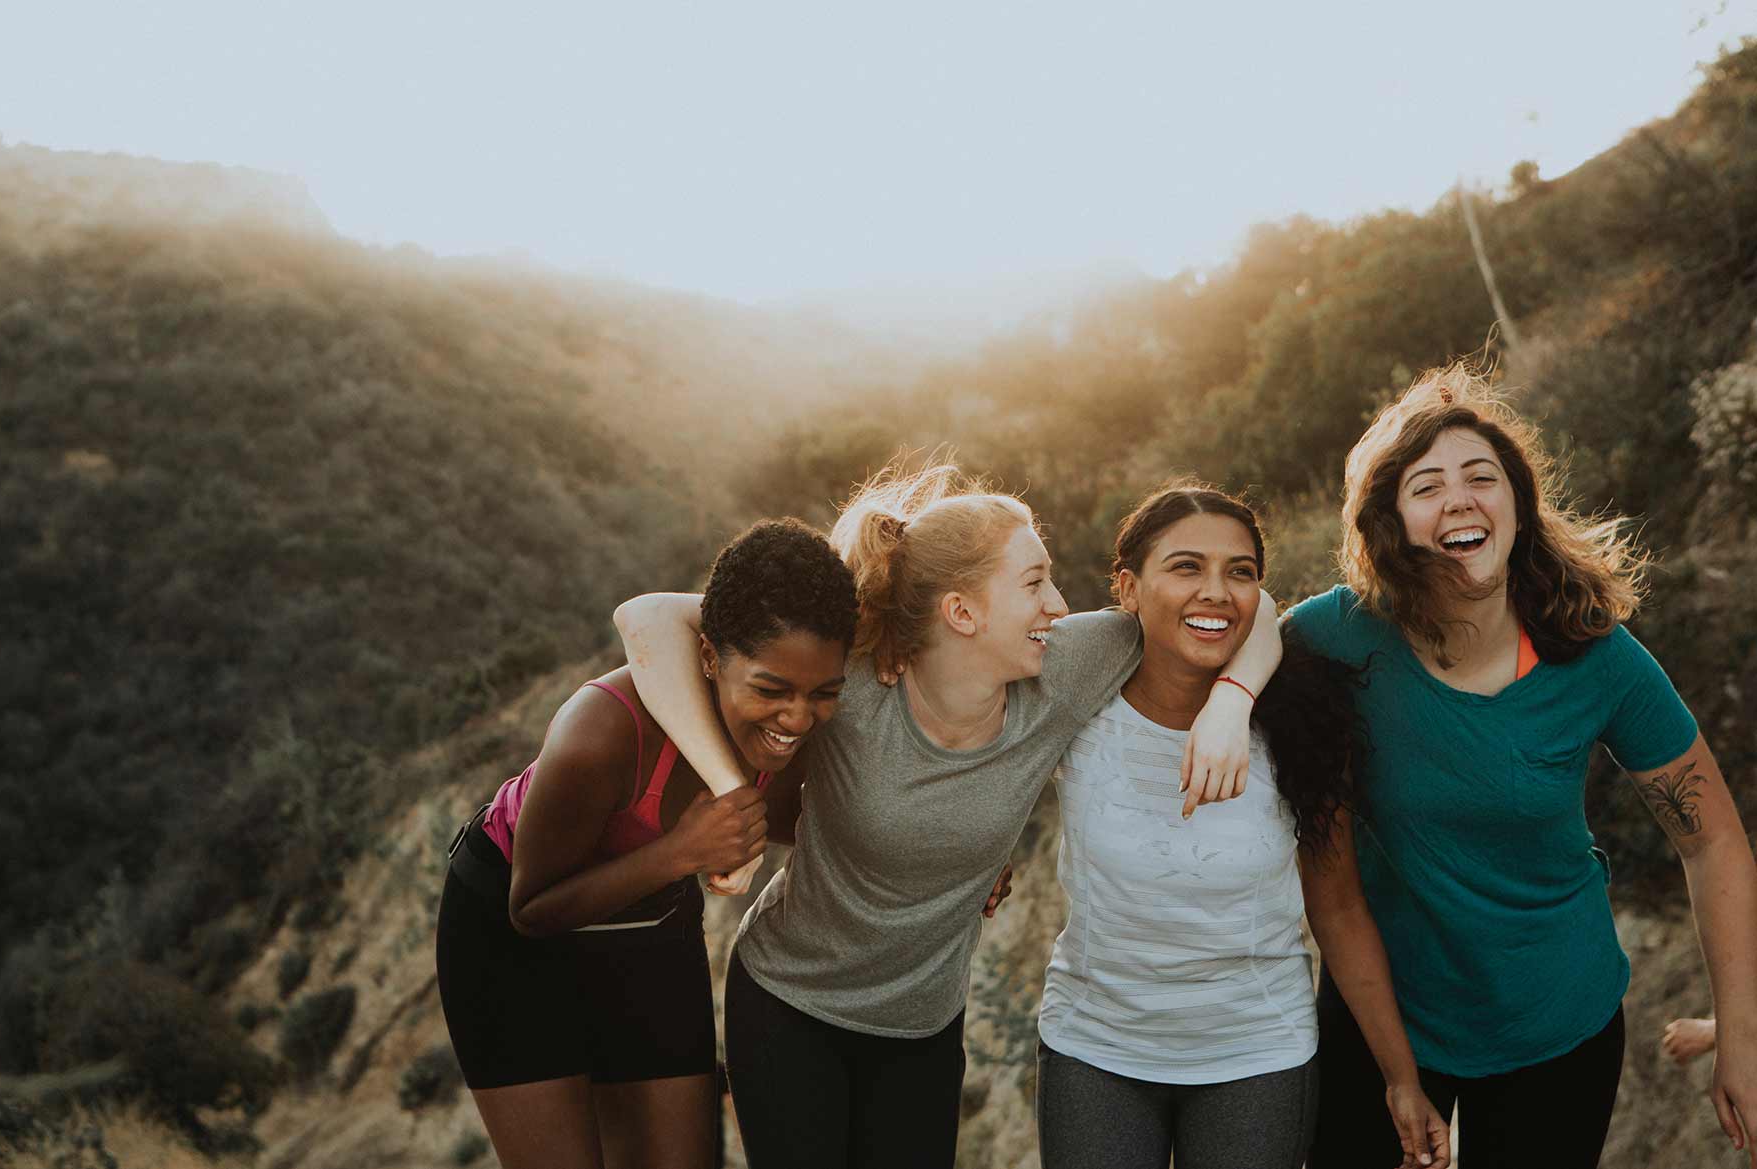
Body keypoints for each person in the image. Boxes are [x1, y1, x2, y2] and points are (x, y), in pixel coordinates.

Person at [614, 462, 1281, 1169]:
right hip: (789, 1005)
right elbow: (648, 617)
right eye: (1033, 583)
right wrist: (730, 790)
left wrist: (1233, 699)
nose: (1058, 602)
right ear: (962, 612)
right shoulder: (859, 679)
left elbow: (1250, 606)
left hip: (923, 1029)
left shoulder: (1065, 668)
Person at [1292, 366, 1757, 1168]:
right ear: (1392, 521)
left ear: (1517, 504)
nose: (1461, 499)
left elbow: (1713, 841)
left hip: (1556, 1021)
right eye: (1427, 486)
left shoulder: (1594, 653)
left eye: (1483, 477)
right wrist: (1230, 702)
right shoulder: (1339, 636)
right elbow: (1226, 634)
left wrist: (1742, 1041)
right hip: (1383, 1018)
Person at [1036, 483, 1450, 1169]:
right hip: (1095, 1047)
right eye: (1186, 566)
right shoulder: (1078, 696)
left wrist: (1401, 1079)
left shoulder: (1301, 723)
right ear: (1128, 587)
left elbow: (1339, 908)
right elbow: (980, 753)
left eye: (1240, 571)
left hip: (1257, 1054)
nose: (1216, 592)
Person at [434, 519, 859, 1169]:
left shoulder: (791, 736)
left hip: (649, 928)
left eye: (821, 694)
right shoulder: (601, 731)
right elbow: (532, 908)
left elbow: (834, 822)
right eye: (771, 689)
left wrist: (967, 860)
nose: (797, 719)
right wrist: (682, 853)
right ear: (711, 657)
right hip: (509, 940)